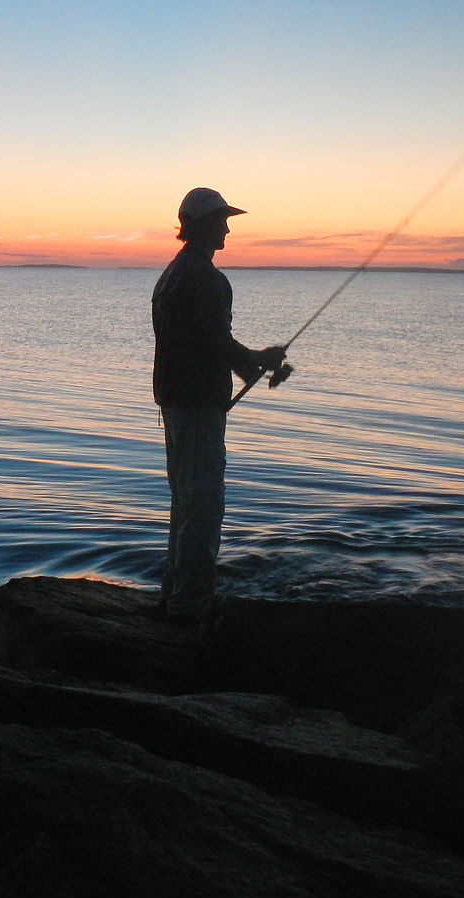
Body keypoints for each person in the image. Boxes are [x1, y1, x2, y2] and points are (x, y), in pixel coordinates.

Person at [151, 187, 285, 625]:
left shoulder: (173, 273)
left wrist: (254, 367)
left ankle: (175, 593)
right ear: (203, 225)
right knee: (203, 502)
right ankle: (189, 605)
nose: (228, 227)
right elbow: (214, 343)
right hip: (196, 404)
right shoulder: (207, 279)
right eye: (222, 220)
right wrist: (256, 365)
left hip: (176, 400)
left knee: (186, 499)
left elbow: (202, 342)